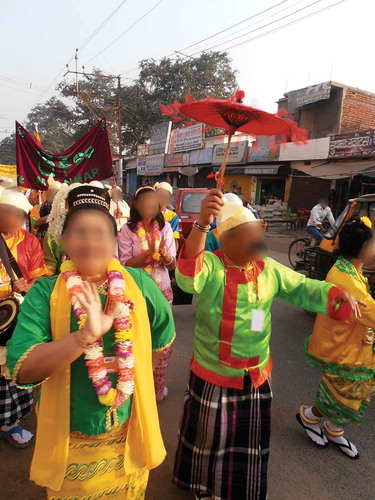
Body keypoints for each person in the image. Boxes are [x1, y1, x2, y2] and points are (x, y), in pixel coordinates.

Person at [173, 189, 360, 500]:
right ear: (228, 240)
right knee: (210, 439)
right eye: (247, 237)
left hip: (256, 375)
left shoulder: (267, 268)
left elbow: (301, 286)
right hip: (213, 376)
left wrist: (334, 295)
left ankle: (239, 490)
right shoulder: (213, 267)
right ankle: (204, 486)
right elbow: (187, 277)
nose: (257, 244)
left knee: (247, 442)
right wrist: (203, 223)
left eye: (257, 235)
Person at [7, 183, 175, 499]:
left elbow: (162, 340)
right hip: (71, 441)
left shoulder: (140, 283)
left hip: (129, 436)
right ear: (63, 239)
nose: (90, 241)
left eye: (100, 232)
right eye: (79, 232)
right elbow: (22, 368)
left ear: (114, 239)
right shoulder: (45, 293)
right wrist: (83, 337)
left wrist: (138, 381)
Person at [297, 217, 375, 459]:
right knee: (340, 395)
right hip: (344, 350)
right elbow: (370, 312)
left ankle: (334, 428)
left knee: (350, 394)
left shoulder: (353, 269)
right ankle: (309, 417)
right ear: (361, 248)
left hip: (354, 345)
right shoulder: (345, 277)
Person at [118, 186, 176, 402]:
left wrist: (164, 256)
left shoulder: (166, 228)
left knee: (162, 344)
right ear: (136, 204)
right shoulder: (126, 231)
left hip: (162, 294)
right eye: (146, 202)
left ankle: (157, 387)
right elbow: (123, 264)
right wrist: (146, 255)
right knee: (136, 342)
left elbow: (172, 265)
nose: (150, 206)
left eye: (154, 202)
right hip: (136, 295)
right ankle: (135, 389)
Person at [0, 189, 46, 449]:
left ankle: (10, 422)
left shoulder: (30, 242)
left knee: (15, 369)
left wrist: (27, 285)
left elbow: (40, 277)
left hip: (18, 318)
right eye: (8, 213)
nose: (14, 219)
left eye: (19, 215)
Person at [34, 176, 61, 243]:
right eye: (51, 192)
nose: (53, 195)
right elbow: (35, 223)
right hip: (42, 241)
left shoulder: (65, 207)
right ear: (46, 193)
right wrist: (53, 216)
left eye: (56, 193)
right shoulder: (38, 208)